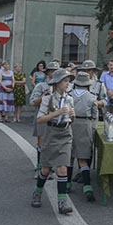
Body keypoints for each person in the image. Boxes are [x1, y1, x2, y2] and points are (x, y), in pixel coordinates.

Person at [31, 68, 75, 214]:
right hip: (51, 133)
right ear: (56, 83)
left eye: (68, 81)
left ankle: (62, 201)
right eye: (65, 81)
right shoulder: (47, 98)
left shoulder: (69, 98)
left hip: (65, 133)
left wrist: (72, 115)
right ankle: (37, 192)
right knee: (46, 168)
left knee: (63, 168)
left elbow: (71, 119)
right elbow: (40, 119)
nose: (67, 84)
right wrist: (56, 113)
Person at [68, 71, 104, 201]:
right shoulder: (91, 97)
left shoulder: (69, 95)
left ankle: (67, 183)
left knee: (70, 156)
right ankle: (87, 186)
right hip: (85, 124)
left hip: (71, 124)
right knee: (83, 157)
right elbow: (95, 114)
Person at [30, 62, 60, 171]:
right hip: (43, 115)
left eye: (57, 71)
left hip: (56, 117)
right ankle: (40, 165)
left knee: (54, 143)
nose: (55, 73)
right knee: (42, 141)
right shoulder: (41, 86)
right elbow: (33, 102)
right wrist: (43, 96)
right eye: (52, 71)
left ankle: (50, 165)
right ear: (48, 72)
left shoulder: (60, 86)